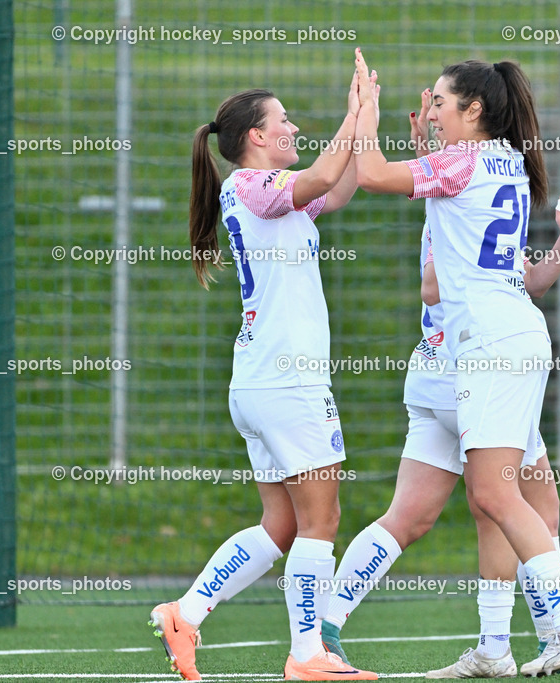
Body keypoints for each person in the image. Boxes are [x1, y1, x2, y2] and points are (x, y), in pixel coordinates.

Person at [349, 48, 560, 676]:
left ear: (476, 108)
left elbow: (374, 176)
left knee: (494, 494)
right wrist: (425, 151)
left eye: (439, 101)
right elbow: (458, 231)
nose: (431, 110)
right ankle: (506, 646)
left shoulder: (464, 160)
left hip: (493, 343)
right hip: (506, 335)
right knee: (513, 500)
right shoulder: (505, 159)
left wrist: (363, 116)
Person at [149, 65, 379, 681]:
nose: (294, 127)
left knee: (281, 525)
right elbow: (327, 172)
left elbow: (340, 185)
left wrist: (368, 119)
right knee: (321, 521)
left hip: (264, 380)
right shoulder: (252, 184)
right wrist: (352, 115)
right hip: (286, 381)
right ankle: (307, 655)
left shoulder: (273, 191)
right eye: (284, 121)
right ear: (256, 136)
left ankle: (186, 613)